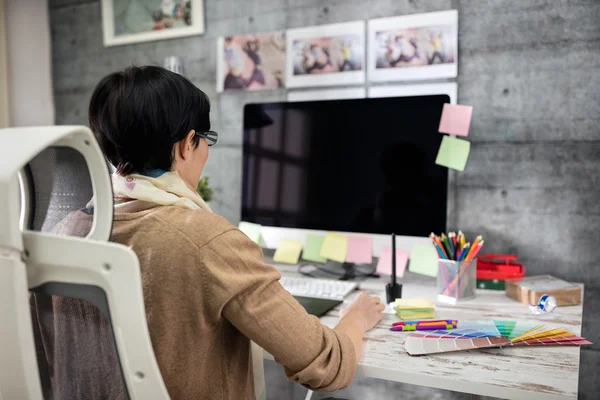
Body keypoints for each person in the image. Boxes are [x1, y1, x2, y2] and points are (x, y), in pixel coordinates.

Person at [29, 66, 384, 400]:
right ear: (187, 144)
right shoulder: (205, 240)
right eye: (205, 140)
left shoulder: (63, 233)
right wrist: (355, 318)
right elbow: (326, 366)